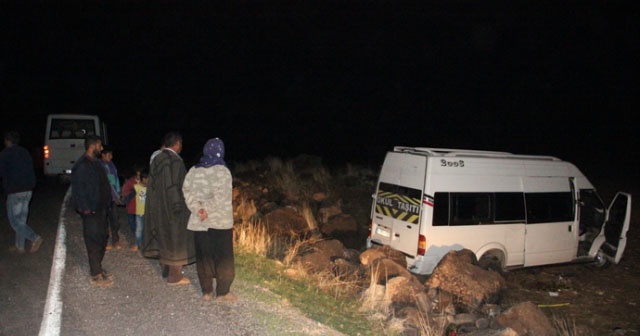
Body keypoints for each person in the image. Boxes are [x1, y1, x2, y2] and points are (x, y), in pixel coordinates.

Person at [183, 137, 236, 302]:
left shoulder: (193, 170)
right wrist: (207, 210)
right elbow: (222, 195)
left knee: (204, 256)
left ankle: (206, 291)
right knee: (224, 257)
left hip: (200, 222)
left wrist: (198, 209)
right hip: (220, 222)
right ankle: (223, 292)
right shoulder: (222, 171)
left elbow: (186, 191)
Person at [142, 131, 195, 285]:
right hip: (172, 207)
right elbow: (175, 186)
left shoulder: (157, 159)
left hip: (157, 207)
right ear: (177, 144)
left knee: (163, 235)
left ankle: (165, 268)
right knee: (176, 239)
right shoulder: (175, 162)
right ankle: (175, 276)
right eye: (181, 144)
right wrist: (178, 206)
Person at [70, 135, 113, 287]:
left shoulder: (96, 163)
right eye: (100, 146)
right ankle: (95, 273)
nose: (101, 149)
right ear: (92, 146)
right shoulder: (82, 165)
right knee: (93, 241)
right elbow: (78, 190)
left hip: (101, 209)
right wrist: (85, 209)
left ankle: (98, 267)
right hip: (91, 210)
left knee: (103, 238)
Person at [0, 131, 43, 254]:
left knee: (14, 221)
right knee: (21, 220)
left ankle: (35, 237)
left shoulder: (5, 154)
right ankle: (20, 246)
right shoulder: (24, 152)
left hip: (15, 191)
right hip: (28, 190)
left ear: (7, 141)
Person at [101, 145, 122, 250]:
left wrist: (118, 193)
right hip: (103, 198)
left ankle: (115, 240)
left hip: (112, 198)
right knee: (103, 221)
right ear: (103, 155)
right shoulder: (100, 166)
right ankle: (105, 241)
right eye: (109, 155)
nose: (111, 157)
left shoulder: (112, 166)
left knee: (115, 220)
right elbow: (107, 184)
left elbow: (115, 181)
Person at [121, 164, 142, 241]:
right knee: (131, 222)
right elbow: (125, 192)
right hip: (131, 206)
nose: (139, 176)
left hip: (141, 208)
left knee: (140, 224)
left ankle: (138, 239)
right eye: (138, 174)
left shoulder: (145, 182)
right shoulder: (130, 182)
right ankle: (135, 234)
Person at [131, 169, 149, 252]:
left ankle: (147, 245)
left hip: (149, 213)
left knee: (148, 229)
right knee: (139, 229)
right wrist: (123, 201)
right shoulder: (136, 187)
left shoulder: (151, 188)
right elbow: (130, 196)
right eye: (148, 179)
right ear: (144, 179)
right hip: (139, 213)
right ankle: (138, 244)